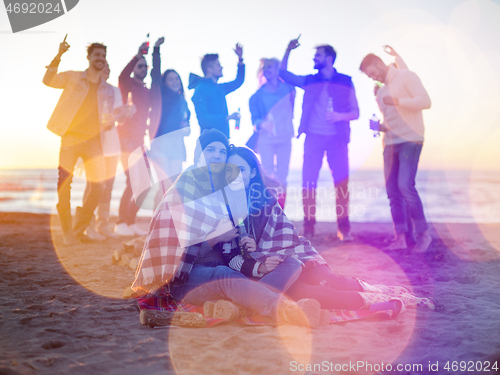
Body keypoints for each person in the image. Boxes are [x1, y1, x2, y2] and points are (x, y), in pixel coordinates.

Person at [132, 129, 328, 328]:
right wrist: (215, 239)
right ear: (199, 155)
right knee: (226, 276)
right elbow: (177, 255)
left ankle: (242, 307)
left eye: (222, 151)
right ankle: (289, 311)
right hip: (188, 278)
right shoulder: (185, 189)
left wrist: (252, 250)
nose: (217, 154)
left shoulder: (223, 192)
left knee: (292, 264)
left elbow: (233, 251)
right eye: (210, 150)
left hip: (230, 271)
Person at [222, 146, 435, 311]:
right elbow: (231, 255)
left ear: (252, 173)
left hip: (297, 257)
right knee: (308, 294)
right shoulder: (225, 206)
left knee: (328, 282)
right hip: (270, 270)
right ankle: (376, 303)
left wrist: (257, 249)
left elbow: (284, 237)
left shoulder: (266, 201)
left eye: (241, 169)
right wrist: (251, 252)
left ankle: (382, 293)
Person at [279, 38, 359, 241]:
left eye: (318, 55)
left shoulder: (345, 81)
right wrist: (288, 50)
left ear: (329, 59)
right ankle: (309, 228)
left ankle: (344, 228)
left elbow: (356, 111)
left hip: (337, 140)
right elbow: (283, 74)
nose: (314, 58)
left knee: (341, 184)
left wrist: (340, 116)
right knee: (309, 183)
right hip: (313, 138)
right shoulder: (310, 80)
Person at [360, 47, 433, 253]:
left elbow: (425, 101)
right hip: (390, 143)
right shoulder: (381, 91)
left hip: (411, 139)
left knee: (405, 186)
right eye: (369, 76)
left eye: (372, 72)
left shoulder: (406, 76)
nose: (372, 77)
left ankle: (424, 235)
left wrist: (398, 101)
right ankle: (400, 238)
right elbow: (392, 121)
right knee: (393, 192)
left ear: (378, 63)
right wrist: (379, 126)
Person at [43, 40, 116, 245]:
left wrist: (111, 122)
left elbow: (107, 121)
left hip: (94, 142)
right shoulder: (73, 77)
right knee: (64, 183)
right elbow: (48, 80)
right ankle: (67, 232)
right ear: (89, 58)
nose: (100, 59)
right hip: (71, 137)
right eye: (97, 55)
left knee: (98, 187)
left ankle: (77, 229)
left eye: (103, 56)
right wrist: (58, 55)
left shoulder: (108, 90)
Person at [115, 38, 163, 237]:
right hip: (126, 140)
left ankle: (129, 221)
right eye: (140, 66)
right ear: (135, 68)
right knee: (132, 182)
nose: (143, 69)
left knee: (144, 184)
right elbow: (122, 74)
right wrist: (138, 54)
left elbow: (157, 79)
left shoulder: (145, 89)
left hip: (139, 142)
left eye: (146, 67)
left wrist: (156, 53)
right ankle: (120, 224)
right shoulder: (127, 85)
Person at [82, 62, 135, 240]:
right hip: (94, 146)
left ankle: (102, 226)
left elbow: (119, 119)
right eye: (103, 68)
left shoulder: (114, 91)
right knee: (93, 186)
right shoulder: (89, 91)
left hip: (112, 146)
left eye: (108, 69)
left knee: (108, 188)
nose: (107, 71)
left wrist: (126, 113)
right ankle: (86, 226)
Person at [249, 58, 295, 208]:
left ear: (277, 70)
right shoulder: (256, 96)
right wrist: (262, 124)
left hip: (285, 137)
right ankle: (268, 212)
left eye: (269, 67)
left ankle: (280, 212)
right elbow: (254, 120)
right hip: (266, 139)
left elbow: (292, 108)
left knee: (282, 176)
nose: (266, 70)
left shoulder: (288, 89)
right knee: (267, 176)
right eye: (264, 68)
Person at [148, 65, 191, 208]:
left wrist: (186, 127)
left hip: (177, 144)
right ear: (164, 82)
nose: (175, 81)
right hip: (161, 143)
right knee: (164, 184)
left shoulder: (183, 101)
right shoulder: (161, 96)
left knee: (174, 184)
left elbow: (186, 123)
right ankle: (156, 217)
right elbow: (155, 76)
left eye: (177, 78)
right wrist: (156, 50)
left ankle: (169, 219)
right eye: (170, 79)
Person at [188, 44, 245, 138]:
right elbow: (203, 120)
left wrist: (240, 59)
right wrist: (227, 117)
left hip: (224, 138)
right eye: (218, 65)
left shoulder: (220, 88)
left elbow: (238, 81)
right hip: (209, 141)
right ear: (209, 69)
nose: (221, 67)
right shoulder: (200, 89)